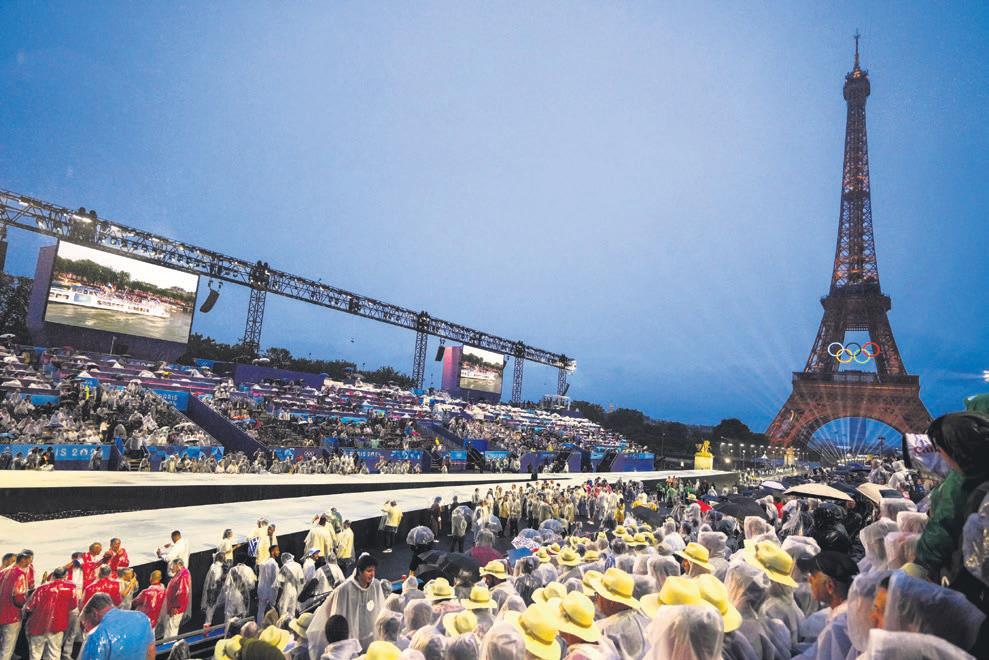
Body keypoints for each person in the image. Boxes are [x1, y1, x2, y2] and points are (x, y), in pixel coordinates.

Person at [916, 413, 989, 596]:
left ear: (956, 451)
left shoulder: (971, 491)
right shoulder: (978, 483)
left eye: (940, 451)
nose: (940, 457)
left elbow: (967, 565)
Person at [308, 553, 388, 655]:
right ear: (359, 571)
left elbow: (380, 609)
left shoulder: (375, 585)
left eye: (373, 571)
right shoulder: (345, 589)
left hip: (370, 639)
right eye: (369, 571)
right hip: (351, 642)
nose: (372, 574)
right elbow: (337, 616)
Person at [793, 551, 858, 660]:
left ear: (830, 586)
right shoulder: (850, 612)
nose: (809, 580)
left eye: (813, 575)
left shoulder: (838, 627)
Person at [591, 568, 648, 660]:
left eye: (598, 594)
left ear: (611, 602)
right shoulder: (644, 618)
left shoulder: (605, 629)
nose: (597, 600)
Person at [78, 593, 155, 660]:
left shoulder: (96, 635)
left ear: (95, 614)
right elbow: (150, 652)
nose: (86, 631)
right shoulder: (141, 618)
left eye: (86, 625)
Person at [23, 566, 77, 660]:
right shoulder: (71, 588)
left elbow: (29, 607)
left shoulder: (41, 588)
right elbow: (73, 606)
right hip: (57, 626)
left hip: (38, 626)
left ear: (53, 575)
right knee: (54, 653)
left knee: (35, 654)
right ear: (66, 575)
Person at [0, 551, 31, 660]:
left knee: (3, 642)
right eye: (28, 560)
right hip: (12, 615)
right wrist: (26, 603)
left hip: (2, 612)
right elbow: (19, 598)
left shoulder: (2, 572)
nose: (29, 563)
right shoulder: (20, 573)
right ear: (23, 560)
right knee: (8, 646)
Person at [160, 558, 191, 638]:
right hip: (173, 608)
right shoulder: (180, 574)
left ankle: (169, 645)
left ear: (178, 566)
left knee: (171, 630)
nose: (171, 568)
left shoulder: (183, 576)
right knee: (170, 629)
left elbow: (183, 593)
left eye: (173, 566)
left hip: (175, 609)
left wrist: (176, 608)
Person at [201, 552, 226, 626]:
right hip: (214, 590)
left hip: (211, 589)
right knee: (211, 607)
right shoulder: (218, 568)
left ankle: (208, 621)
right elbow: (216, 580)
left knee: (211, 606)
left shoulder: (213, 565)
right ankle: (207, 623)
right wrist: (224, 577)